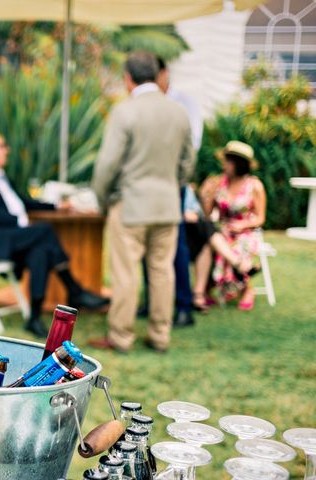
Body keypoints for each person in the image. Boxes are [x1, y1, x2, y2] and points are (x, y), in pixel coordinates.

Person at [89, 51, 195, 353]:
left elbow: (107, 165)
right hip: (168, 204)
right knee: (163, 271)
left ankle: (121, 337)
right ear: (157, 74)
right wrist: (173, 186)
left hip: (130, 204)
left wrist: (102, 199)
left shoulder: (126, 112)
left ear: (127, 78)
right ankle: (160, 336)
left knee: (125, 272)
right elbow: (189, 161)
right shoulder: (178, 112)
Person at [0, 128, 110, 337]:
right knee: (45, 230)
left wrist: (57, 207)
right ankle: (74, 291)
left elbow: (25, 203)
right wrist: (19, 221)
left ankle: (33, 318)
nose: (7, 150)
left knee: (41, 251)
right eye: (2, 145)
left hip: (12, 234)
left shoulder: (3, 178)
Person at [138, 57, 205, 328]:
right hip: (145, 186)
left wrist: (176, 181)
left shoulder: (183, 104)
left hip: (170, 185)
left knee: (174, 247)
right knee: (145, 244)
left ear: (163, 74)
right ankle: (152, 302)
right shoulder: (143, 106)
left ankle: (183, 305)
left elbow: (192, 148)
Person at [198, 140, 266, 310]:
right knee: (215, 241)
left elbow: (260, 218)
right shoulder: (219, 184)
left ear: (237, 163)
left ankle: (246, 290)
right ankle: (215, 287)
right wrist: (207, 195)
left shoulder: (254, 186)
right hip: (223, 230)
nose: (223, 164)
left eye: (227, 161)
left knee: (237, 244)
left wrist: (242, 225)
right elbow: (206, 215)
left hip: (247, 231)